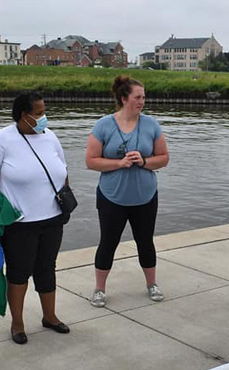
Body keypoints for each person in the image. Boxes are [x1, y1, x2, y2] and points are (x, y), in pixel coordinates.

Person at [0, 91, 70, 344]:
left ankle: (49, 316)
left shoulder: (50, 137)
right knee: (19, 272)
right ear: (23, 116)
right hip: (20, 223)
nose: (44, 117)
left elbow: (62, 169)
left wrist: (65, 196)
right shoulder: (2, 139)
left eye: (43, 111)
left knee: (47, 268)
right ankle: (17, 324)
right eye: (38, 113)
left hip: (52, 218)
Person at [85, 75, 170, 308]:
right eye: (137, 97)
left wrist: (143, 161)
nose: (142, 101)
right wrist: (118, 163)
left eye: (144, 97)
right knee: (108, 242)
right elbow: (91, 161)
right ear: (124, 99)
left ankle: (152, 284)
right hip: (112, 196)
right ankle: (99, 289)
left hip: (145, 195)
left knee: (145, 241)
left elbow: (163, 158)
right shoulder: (104, 125)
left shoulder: (151, 124)